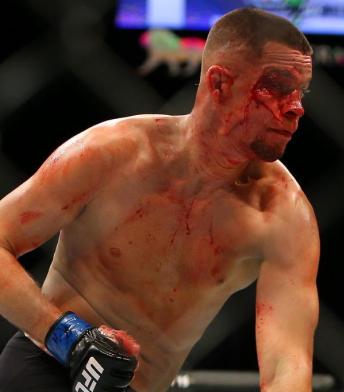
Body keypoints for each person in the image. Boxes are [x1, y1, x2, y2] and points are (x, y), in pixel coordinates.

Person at [0, 7, 319, 392]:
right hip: (46, 362)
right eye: (279, 86)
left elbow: (287, 366)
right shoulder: (112, 153)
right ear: (220, 84)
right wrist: (66, 336)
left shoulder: (284, 215)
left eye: (301, 92)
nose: (296, 107)